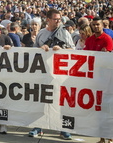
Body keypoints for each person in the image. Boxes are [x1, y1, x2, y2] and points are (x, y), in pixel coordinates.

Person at [32, 9, 74, 140]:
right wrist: (41, 49)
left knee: (61, 102)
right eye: (55, 19)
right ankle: (38, 126)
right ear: (48, 20)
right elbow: (33, 51)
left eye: (59, 19)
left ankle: (63, 129)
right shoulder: (41, 34)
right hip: (44, 72)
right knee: (41, 101)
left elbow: (73, 50)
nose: (58, 21)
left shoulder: (65, 33)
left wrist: (62, 50)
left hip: (60, 74)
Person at [83, 16, 113, 143]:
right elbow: (85, 56)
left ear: (102, 26)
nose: (96, 27)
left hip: (106, 79)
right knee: (98, 109)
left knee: (108, 108)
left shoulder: (108, 39)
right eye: (94, 25)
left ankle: (111, 137)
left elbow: (109, 58)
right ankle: (102, 138)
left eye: (98, 25)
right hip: (93, 78)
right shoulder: (89, 39)